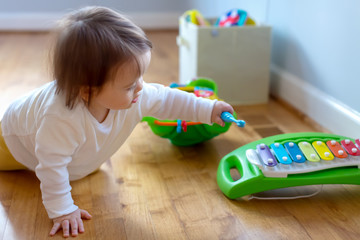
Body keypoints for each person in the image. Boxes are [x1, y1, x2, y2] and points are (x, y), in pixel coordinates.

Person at [0, 6, 234, 238]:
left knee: (68, 153)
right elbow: (51, 167)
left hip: (59, 148)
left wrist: (209, 109)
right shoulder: (61, 119)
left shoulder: (135, 95)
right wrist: (62, 210)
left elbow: (167, 99)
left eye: (140, 77)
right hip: (13, 140)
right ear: (87, 91)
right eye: (130, 85)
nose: (141, 87)